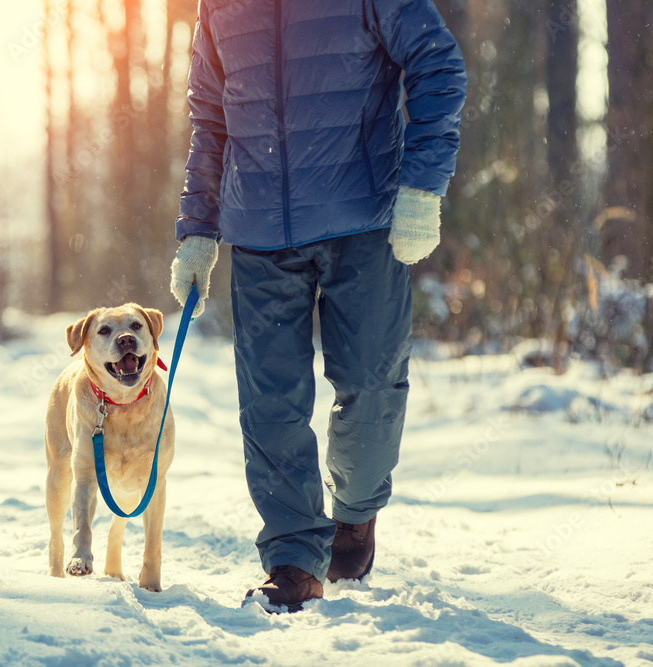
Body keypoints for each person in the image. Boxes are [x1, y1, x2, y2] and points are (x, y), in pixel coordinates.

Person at [169, 0, 467, 612]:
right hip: (257, 233)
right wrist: (199, 229)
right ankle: (293, 556)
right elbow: (210, 120)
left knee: (371, 382)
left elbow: (438, 65)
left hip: (362, 221)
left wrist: (421, 188)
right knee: (269, 400)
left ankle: (354, 512)